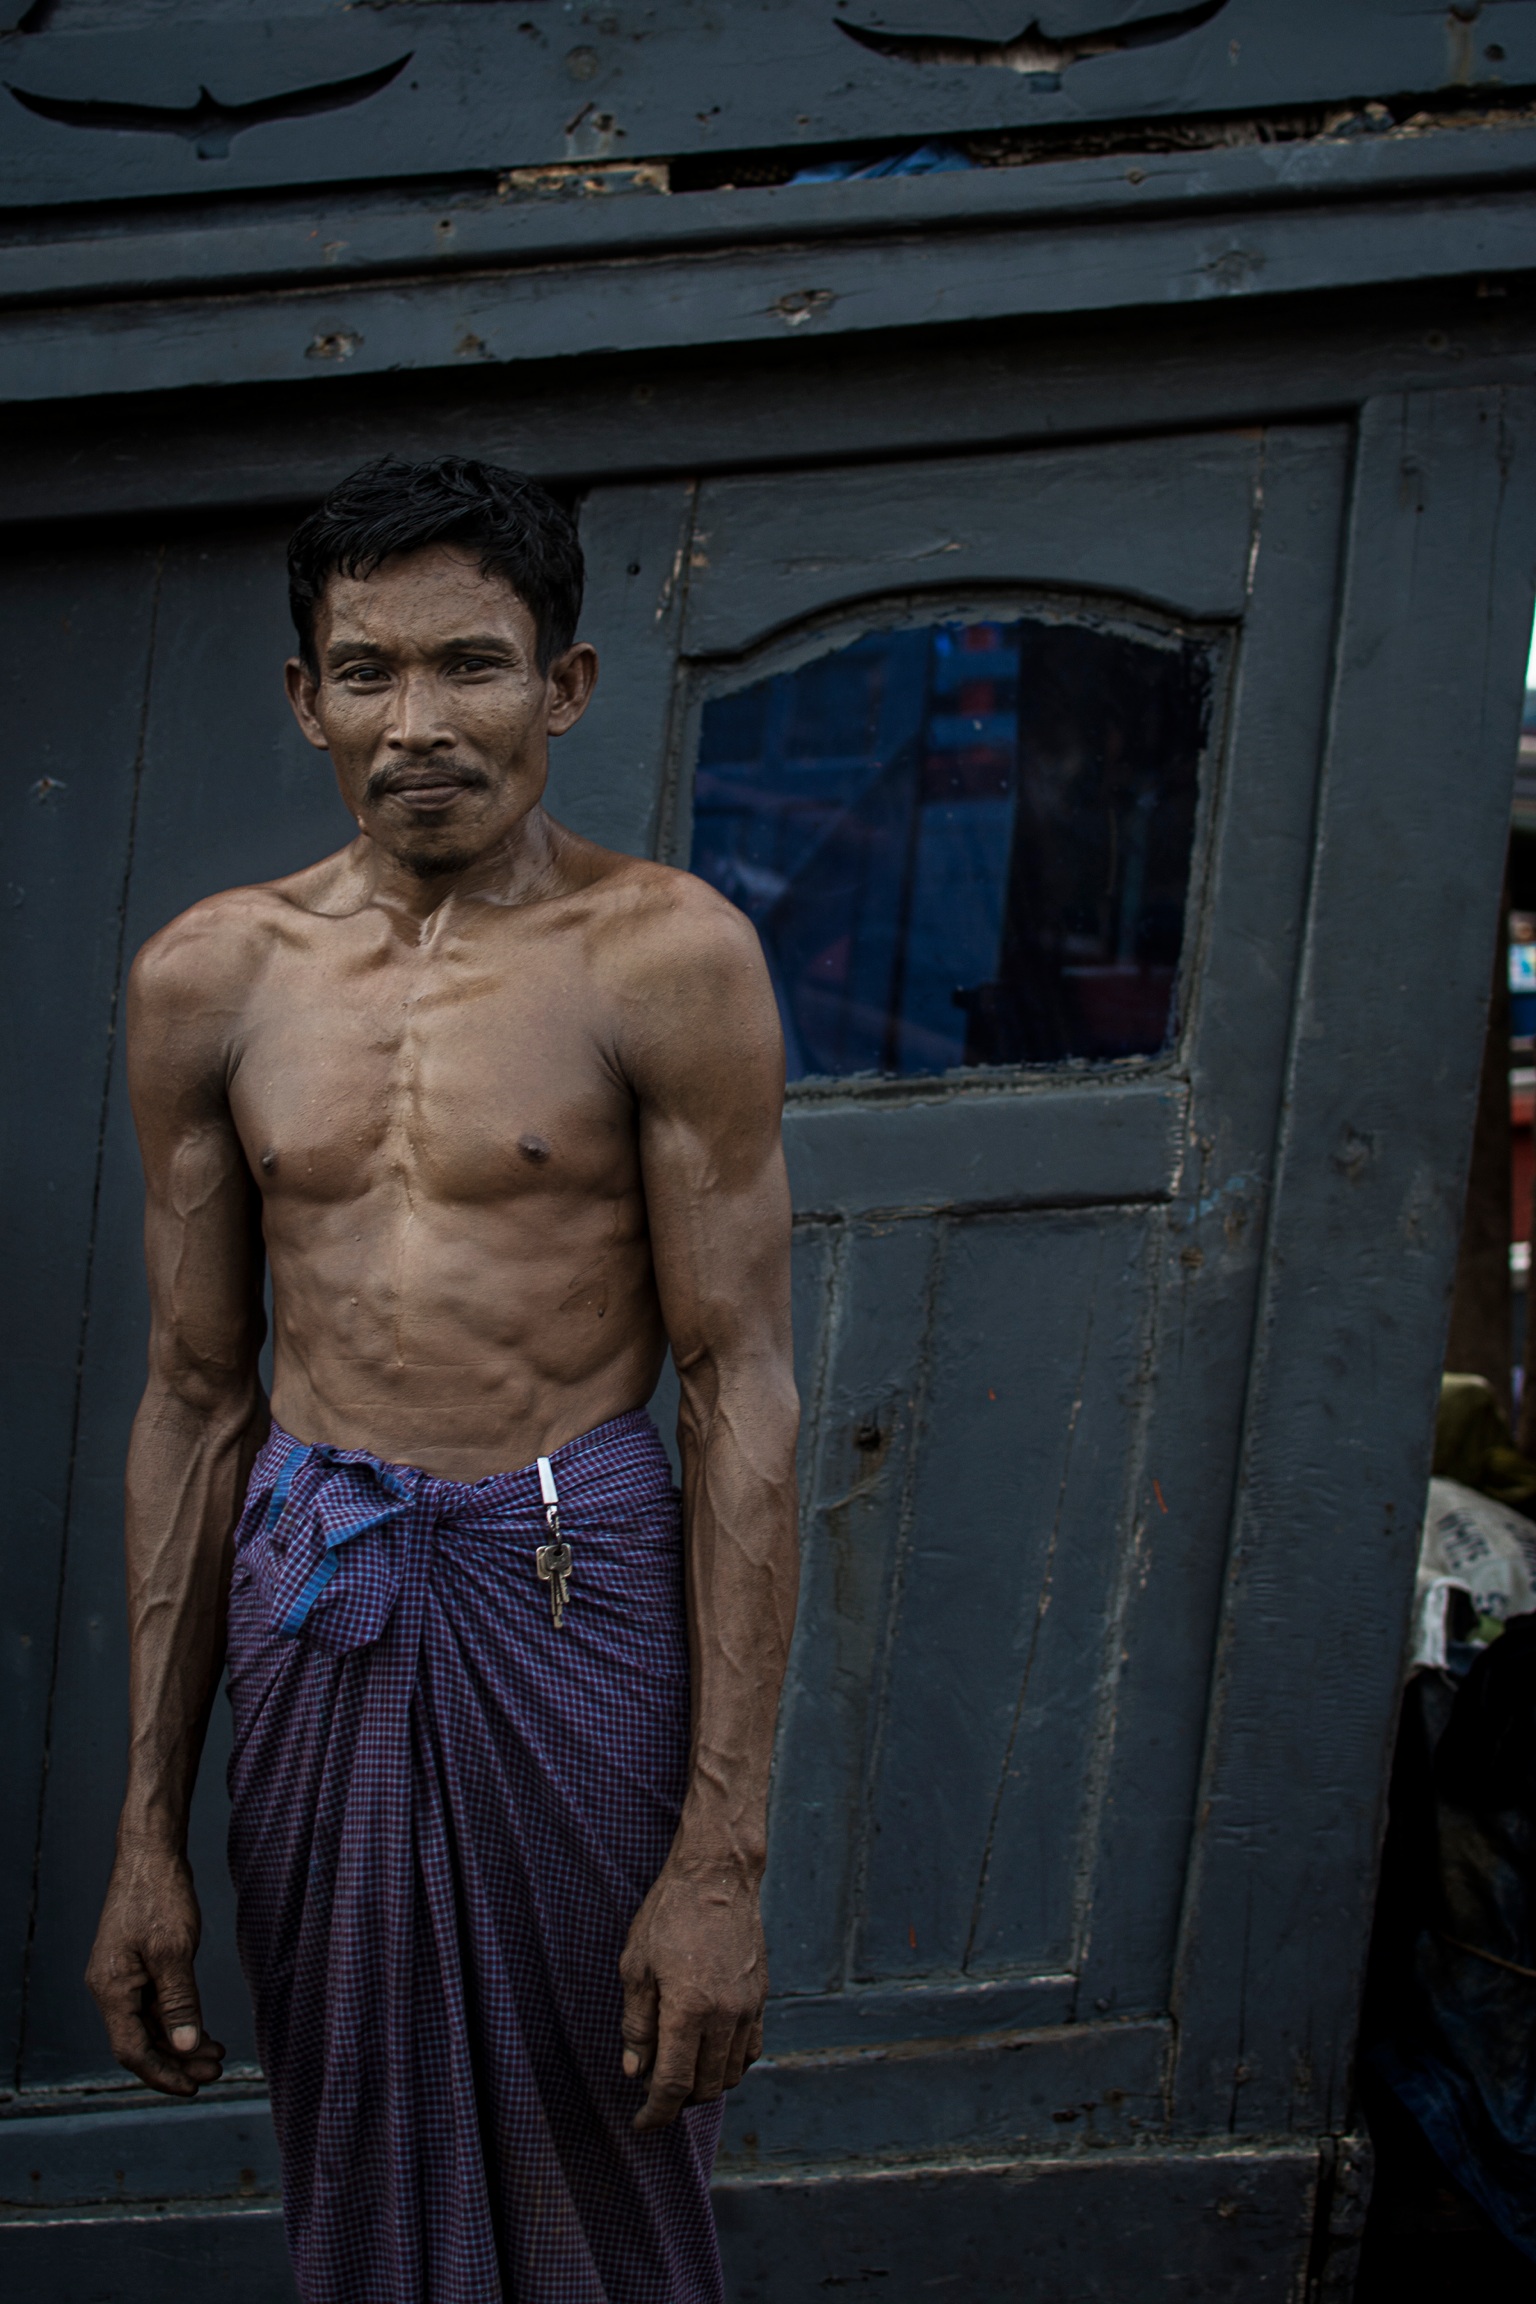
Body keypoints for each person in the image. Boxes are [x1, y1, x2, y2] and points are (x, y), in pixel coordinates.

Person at [84, 455, 800, 2304]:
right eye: (369, 671)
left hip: (572, 1571)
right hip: (319, 1581)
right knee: (349, 2091)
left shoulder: (667, 959)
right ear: (305, 696)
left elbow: (740, 1394)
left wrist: (722, 1849)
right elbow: (196, 1401)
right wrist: (144, 1834)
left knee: (614, 2087)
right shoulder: (210, 978)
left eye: (473, 666)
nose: (422, 724)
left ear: (560, 685)